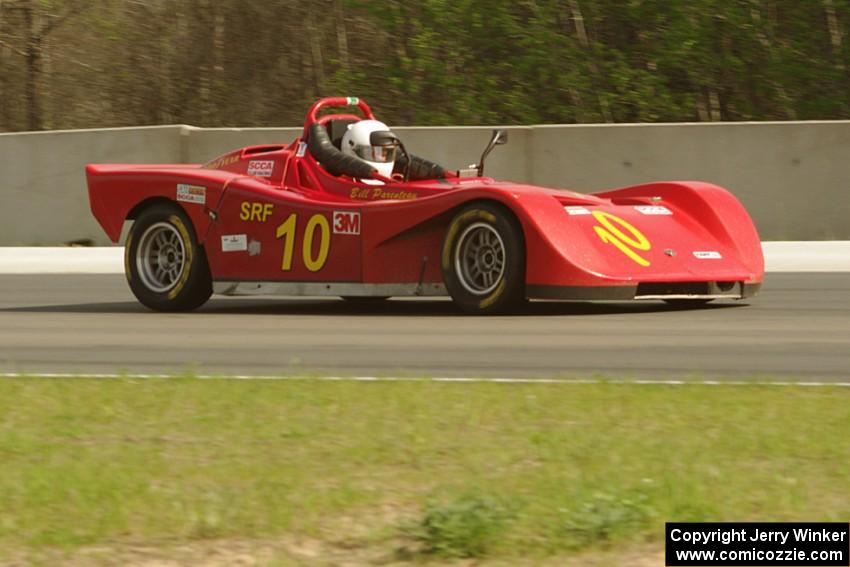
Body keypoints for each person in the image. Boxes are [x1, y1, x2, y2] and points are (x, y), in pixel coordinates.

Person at [340, 120, 397, 184]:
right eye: (373, 153)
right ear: (351, 149)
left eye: (385, 153)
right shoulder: (341, 183)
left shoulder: (398, 178)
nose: (381, 158)